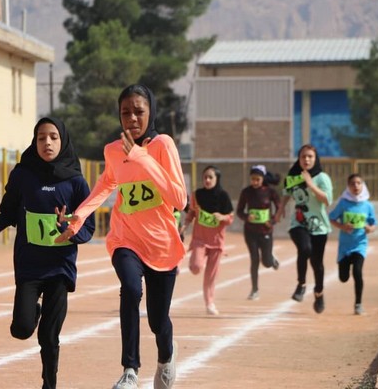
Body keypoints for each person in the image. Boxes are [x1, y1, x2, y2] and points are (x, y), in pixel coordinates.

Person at [55, 84, 186, 389]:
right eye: (125, 112)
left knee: (158, 320)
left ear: (150, 111)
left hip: (162, 243)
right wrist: (79, 217)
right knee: (129, 288)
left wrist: (142, 158)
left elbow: (179, 198)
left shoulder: (163, 145)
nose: (132, 119)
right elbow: (105, 186)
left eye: (138, 111)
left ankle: (167, 355)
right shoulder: (113, 150)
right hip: (126, 238)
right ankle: (130, 370)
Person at [0, 117, 95, 389]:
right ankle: (32, 311)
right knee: (21, 329)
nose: (47, 142)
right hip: (29, 266)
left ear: (63, 140)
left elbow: (88, 227)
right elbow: (7, 214)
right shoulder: (23, 175)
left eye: (53, 137)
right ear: (34, 142)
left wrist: (69, 228)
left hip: (60, 268)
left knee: (49, 336)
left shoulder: (76, 182)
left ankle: (49, 384)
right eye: (41, 137)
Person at [275, 144, 332, 314]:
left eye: (310, 157)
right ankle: (301, 284)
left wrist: (311, 184)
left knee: (317, 264)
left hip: (319, 226)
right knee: (304, 248)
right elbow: (286, 192)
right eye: (303, 157)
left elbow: (326, 200)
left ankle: (319, 293)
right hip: (298, 223)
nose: (306, 160)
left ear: (315, 159)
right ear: (298, 159)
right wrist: (280, 209)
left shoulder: (322, 178)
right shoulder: (293, 176)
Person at [179, 165, 234, 315]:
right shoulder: (197, 195)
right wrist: (185, 224)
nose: (207, 180)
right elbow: (191, 213)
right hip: (200, 240)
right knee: (196, 267)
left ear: (217, 179)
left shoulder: (223, 196)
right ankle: (196, 262)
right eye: (205, 177)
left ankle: (209, 303)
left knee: (211, 276)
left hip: (217, 242)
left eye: (211, 177)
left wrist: (222, 217)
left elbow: (230, 218)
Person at [328, 173, 377, 315]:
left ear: (363, 185)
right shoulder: (343, 203)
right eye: (352, 184)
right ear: (348, 187)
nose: (355, 186)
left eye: (358, 183)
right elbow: (332, 218)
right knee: (343, 278)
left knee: (357, 272)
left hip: (360, 245)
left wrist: (369, 229)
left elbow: (374, 224)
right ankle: (344, 268)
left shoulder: (367, 205)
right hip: (345, 247)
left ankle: (358, 304)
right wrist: (342, 226)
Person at [236, 165, 281, 301]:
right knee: (254, 259)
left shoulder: (270, 192)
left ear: (263, 179)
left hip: (265, 230)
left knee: (266, 262)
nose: (255, 182)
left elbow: (279, 208)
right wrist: (246, 217)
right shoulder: (246, 192)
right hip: (250, 231)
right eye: (252, 179)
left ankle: (271, 259)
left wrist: (272, 221)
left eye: (257, 179)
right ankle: (254, 290)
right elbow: (239, 210)